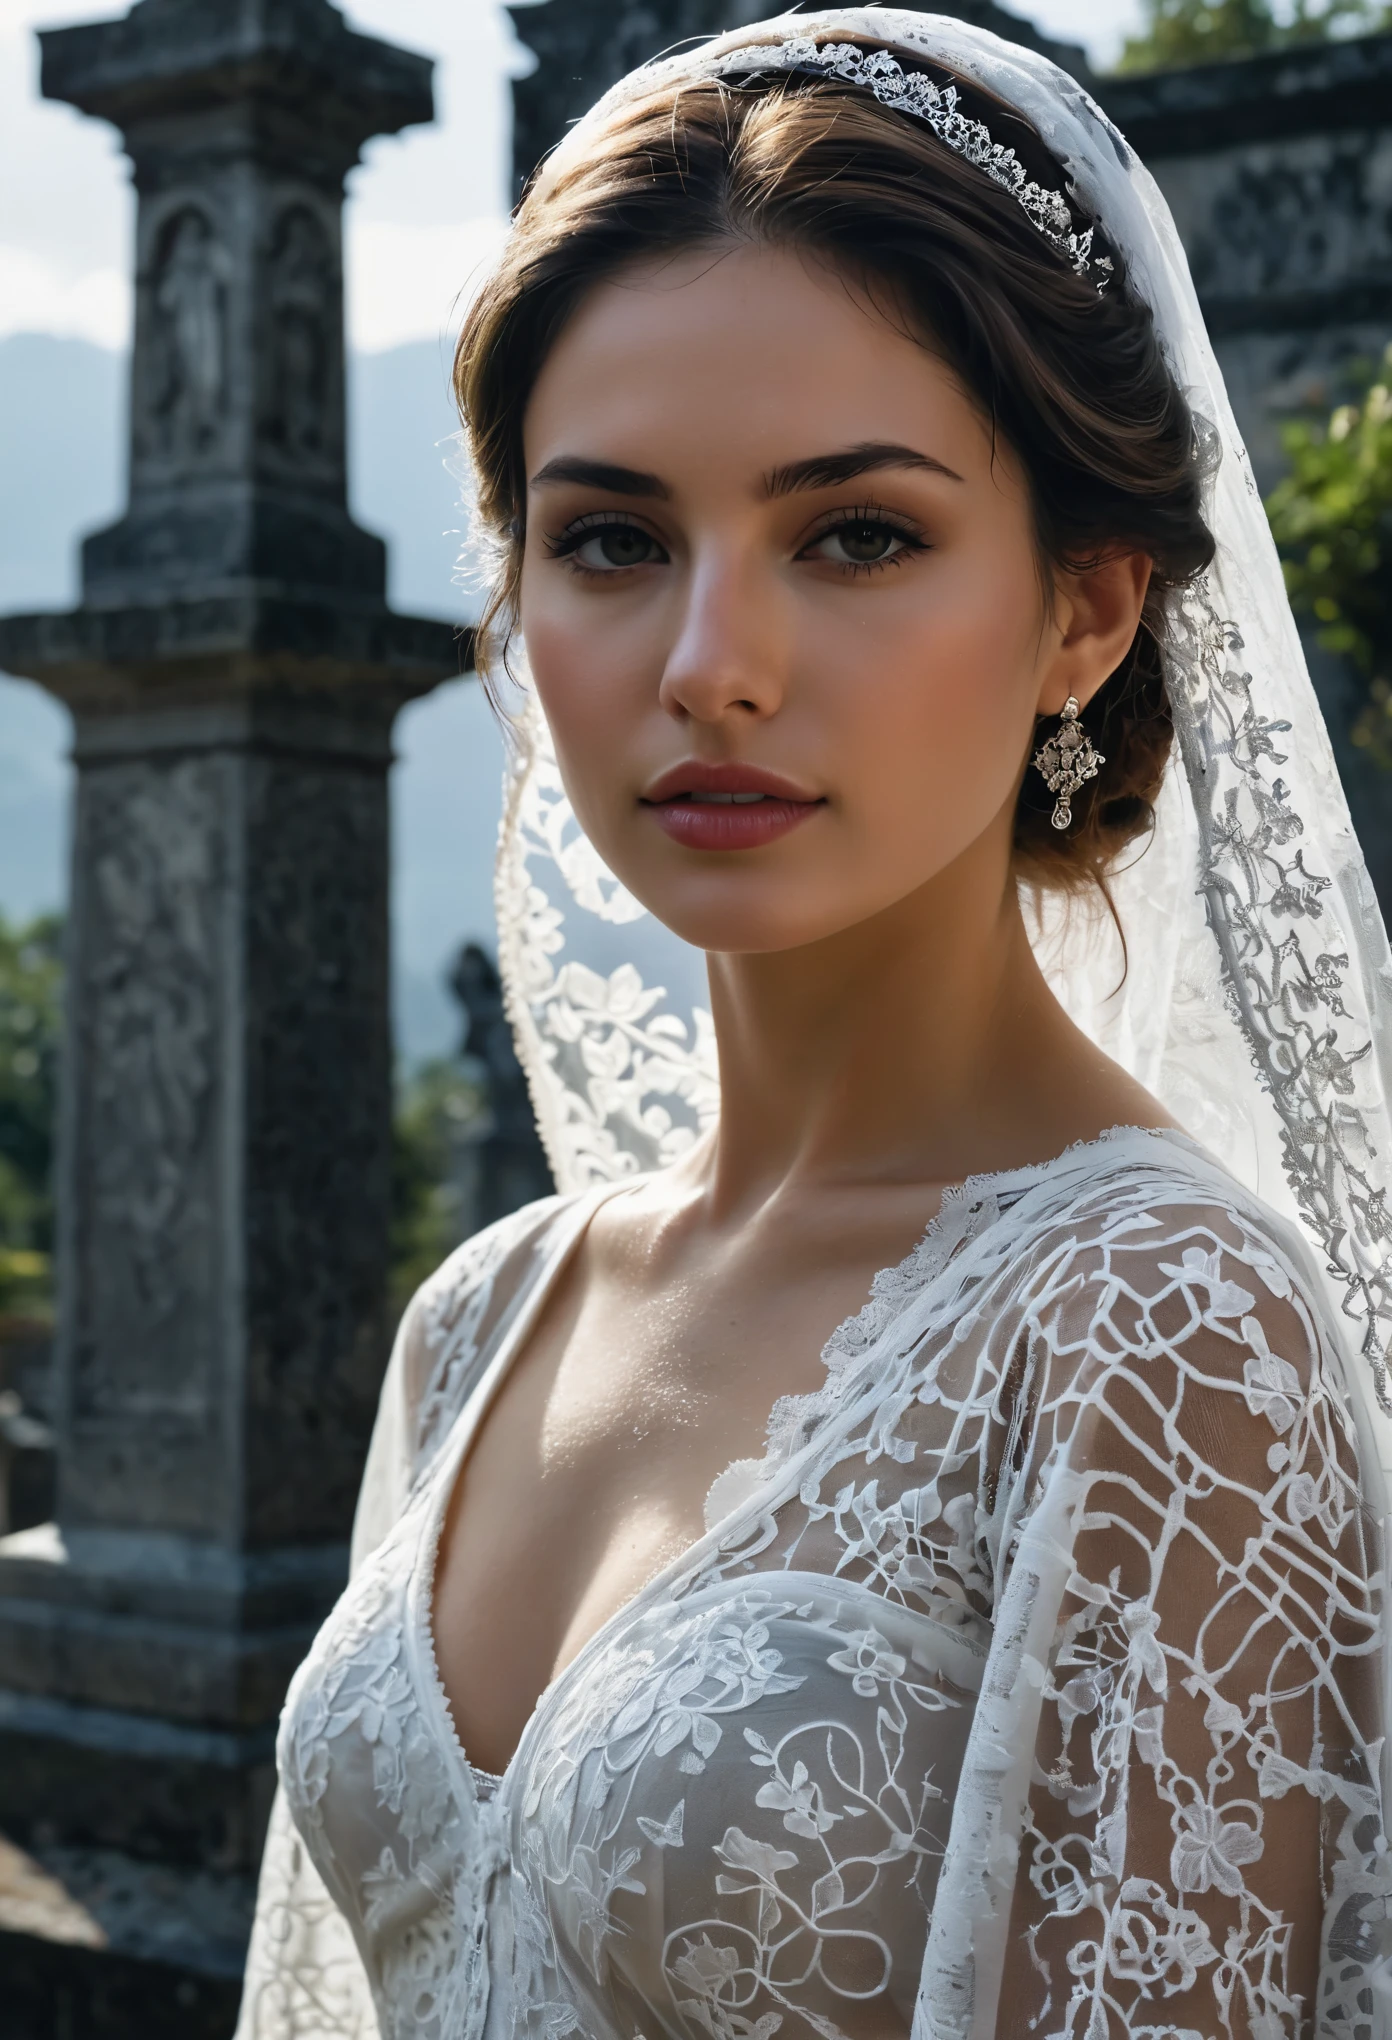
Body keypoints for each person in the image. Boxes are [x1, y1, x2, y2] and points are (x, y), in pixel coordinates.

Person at [235, 13, 1392, 2038]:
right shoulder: (489, 1313)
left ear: (1089, 606)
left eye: (856, 534)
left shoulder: (1154, 1333)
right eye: (611, 539)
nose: (712, 665)